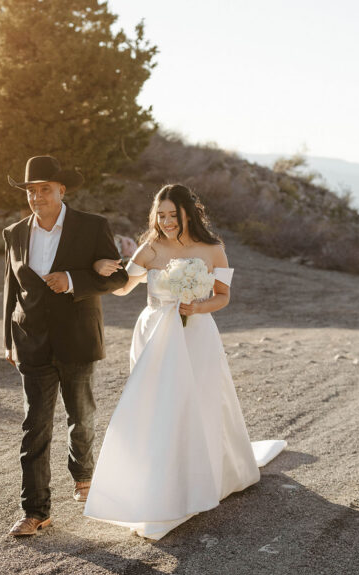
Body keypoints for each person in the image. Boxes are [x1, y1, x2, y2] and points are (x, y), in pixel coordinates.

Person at [84, 183, 286, 539]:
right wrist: (103, 265)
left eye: (172, 215)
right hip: (153, 334)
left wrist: (198, 306)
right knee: (155, 406)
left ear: (187, 214)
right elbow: (123, 286)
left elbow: (223, 296)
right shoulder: (150, 247)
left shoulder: (213, 249)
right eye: (160, 216)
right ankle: (155, 482)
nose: (166, 222)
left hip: (195, 335)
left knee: (197, 402)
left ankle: (198, 477)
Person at [3, 155, 128, 537]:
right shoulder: (14, 233)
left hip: (77, 337)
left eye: (44, 189)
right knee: (34, 427)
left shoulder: (92, 227)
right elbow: (11, 286)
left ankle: (84, 475)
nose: (36, 197)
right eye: (31, 191)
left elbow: (118, 278)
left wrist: (73, 280)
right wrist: (8, 340)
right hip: (31, 342)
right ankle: (35, 511)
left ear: (62, 190)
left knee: (82, 416)